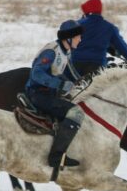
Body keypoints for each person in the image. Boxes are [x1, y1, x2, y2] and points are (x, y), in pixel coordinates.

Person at [24, 20, 86, 180]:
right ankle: (56, 156)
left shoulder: (66, 51)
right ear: (69, 38)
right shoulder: (51, 51)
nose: (80, 39)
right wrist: (60, 85)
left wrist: (78, 84)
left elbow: (65, 72)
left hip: (50, 94)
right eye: (78, 36)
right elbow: (36, 74)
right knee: (76, 113)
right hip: (38, 94)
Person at [71, 0, 127, 77]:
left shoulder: (77, 25)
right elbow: (121, 46)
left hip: (75, 63)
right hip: (97, 64)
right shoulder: (109, 27)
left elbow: (65, 42)